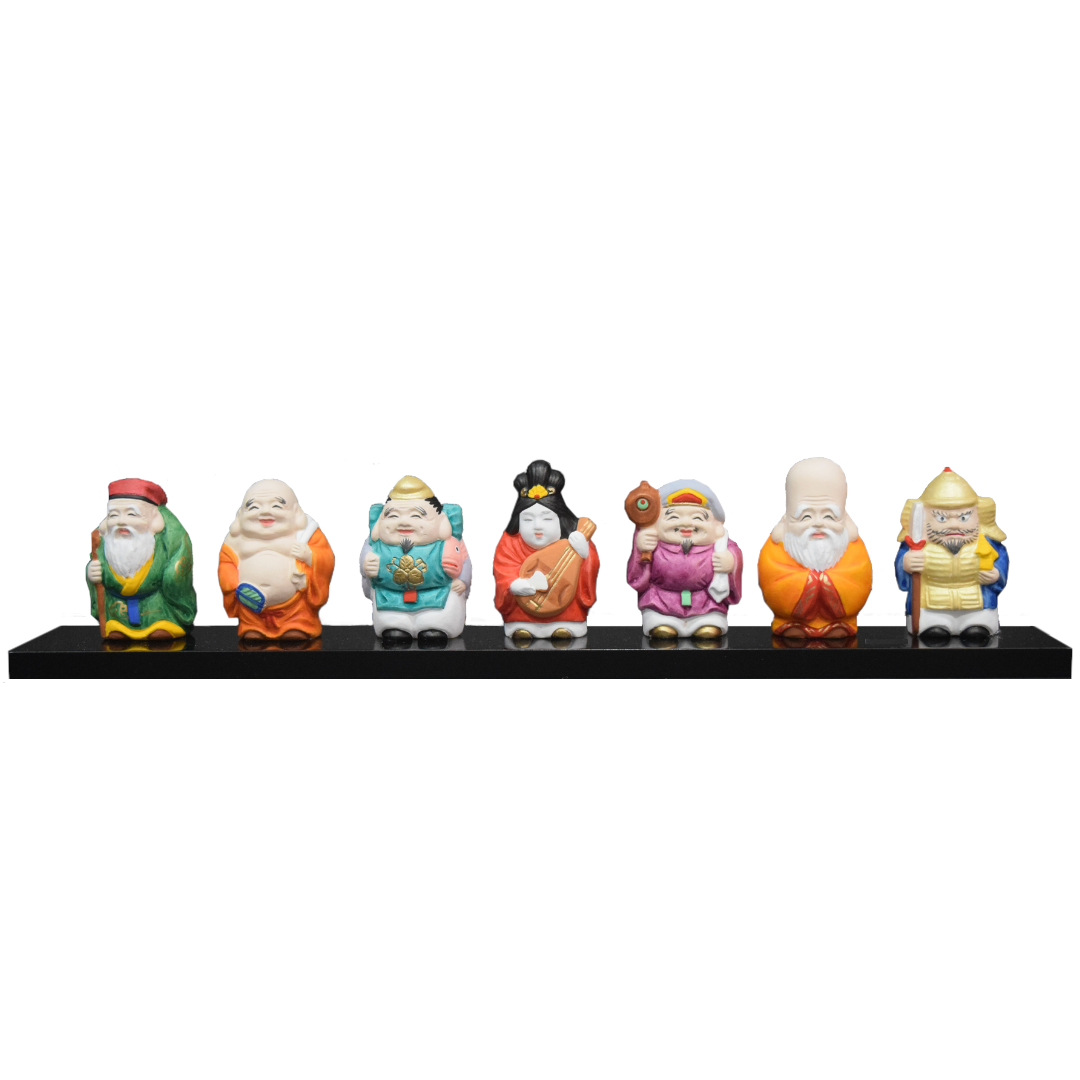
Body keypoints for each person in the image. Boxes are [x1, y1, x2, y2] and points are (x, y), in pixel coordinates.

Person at [757, 457, 872, 638]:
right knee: (791, 628)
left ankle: (839, 623)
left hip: (840, 622)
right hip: (790, 622)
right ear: (789, 518)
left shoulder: (852, 546)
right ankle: (791, 623)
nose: (818, 523)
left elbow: (859, 579)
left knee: (840, 629)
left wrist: (824, 582)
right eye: (806, 516)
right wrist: (813, 581)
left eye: (829, 516)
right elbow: (772, 579)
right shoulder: (778, 546)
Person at [896, 467, 1008, 642]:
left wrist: (996, 575)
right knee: (933, 634)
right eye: (941, 518)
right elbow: (903, 573)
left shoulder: (987, 544)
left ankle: (976, 627)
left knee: (977, 633)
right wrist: (906, 564)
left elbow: (1001, 561)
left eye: (963, 518)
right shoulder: (915, 546)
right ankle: (935, 629)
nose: (954, 525)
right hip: (931, 602)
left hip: (976, 604)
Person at [493, 459, 599, 641]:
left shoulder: (573, 540)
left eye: (547, 519)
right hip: (522, 612)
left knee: (566, 626)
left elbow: (589, 567)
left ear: (560, 519)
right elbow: (503, 570)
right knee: (521, 627)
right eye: (528, 519)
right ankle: (523, 627)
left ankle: (563, 626)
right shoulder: (510, 542)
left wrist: (584, 554)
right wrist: (513, 585)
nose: (537, 526)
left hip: (565, 612)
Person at [218, 479, 335, 641]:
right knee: (252, 631)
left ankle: (296, 626)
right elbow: (226, 562)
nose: (265, 512)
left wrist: (310, 556)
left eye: (276, 506)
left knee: (296, 628)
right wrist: (233, 584)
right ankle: (254, 628)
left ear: (295, 511)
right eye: (254, 507)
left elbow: (326, 558)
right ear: (241, 514)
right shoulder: (236, 539)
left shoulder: (307, 534)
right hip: (251, 607)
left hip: (295, 608)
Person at [361, 475, 470, 645]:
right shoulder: (376, 544)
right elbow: (366, 562)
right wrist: (367, 564)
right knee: (393, 622)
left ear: (441, 521)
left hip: (438, 595)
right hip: (390, 596)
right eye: (393, 516)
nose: (404, 522)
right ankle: (395, 627)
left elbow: (465, 562)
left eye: (416, 516)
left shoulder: (449, 543)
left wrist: (462, 580)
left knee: (439, 616)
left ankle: (435, 627)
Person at [626, 479, 742, 639]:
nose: (686, 523)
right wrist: (641, 548)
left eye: (697, 518)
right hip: (661, 602)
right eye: (673, 517)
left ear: (716, 526)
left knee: (709, 628)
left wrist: (731, 563)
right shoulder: (652, 543)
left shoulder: (720, 546)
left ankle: (705, 623)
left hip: (706, 603)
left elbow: (734, 555)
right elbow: (637, 578)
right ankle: (663, 624)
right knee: (660, 627)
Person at [86, 478, 196, 640]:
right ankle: (120, 628)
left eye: (132, 514)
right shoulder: (104, 544)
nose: (121, 521)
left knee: (160, 631)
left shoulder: (163, 544)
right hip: (117, 611)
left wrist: (172, 577)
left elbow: (176, 574)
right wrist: (91, 572)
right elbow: (98, 572)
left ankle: (162, 625)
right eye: (114, 515)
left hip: (157, 610)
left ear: (155, 519)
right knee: (116, 632)